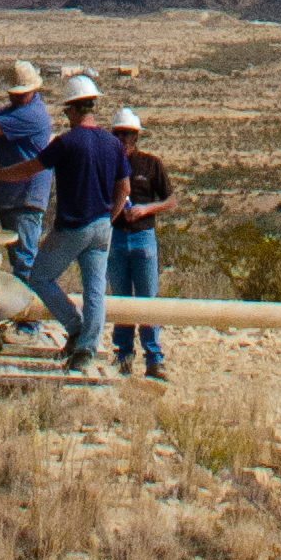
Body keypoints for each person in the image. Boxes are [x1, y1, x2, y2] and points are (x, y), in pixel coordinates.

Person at [20, 74, 129, 377]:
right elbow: (125, 188)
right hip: (101, 226)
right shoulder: (113, 143)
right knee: (95, 291)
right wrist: (110, 217)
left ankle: (76, 328)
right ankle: (86, 348)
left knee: (40, 277)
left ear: (72, 109)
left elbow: (30, 168)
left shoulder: (66, 143)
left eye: (67, 111)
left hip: (73, 226)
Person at [0, 60, 54, 335]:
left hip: (26, 195)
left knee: (25, 260)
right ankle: (19, 315)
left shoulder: (32, 115)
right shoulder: (15, 109)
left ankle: (30, 319)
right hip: (13, 193)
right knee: (17, 257)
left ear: (32, 90)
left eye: (19, 91)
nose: (15, 95)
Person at [106, 105, 171, 381]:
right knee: (121, 298)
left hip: (144, 236)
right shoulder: (106, 164)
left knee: (147, 299)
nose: (122, 139)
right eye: (118, 134)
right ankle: (123, 354)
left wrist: (145, 210)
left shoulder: (151, 164)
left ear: (136, 136)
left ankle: (153, 357)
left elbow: (170, 199)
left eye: (128, 134)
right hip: (116, 236)